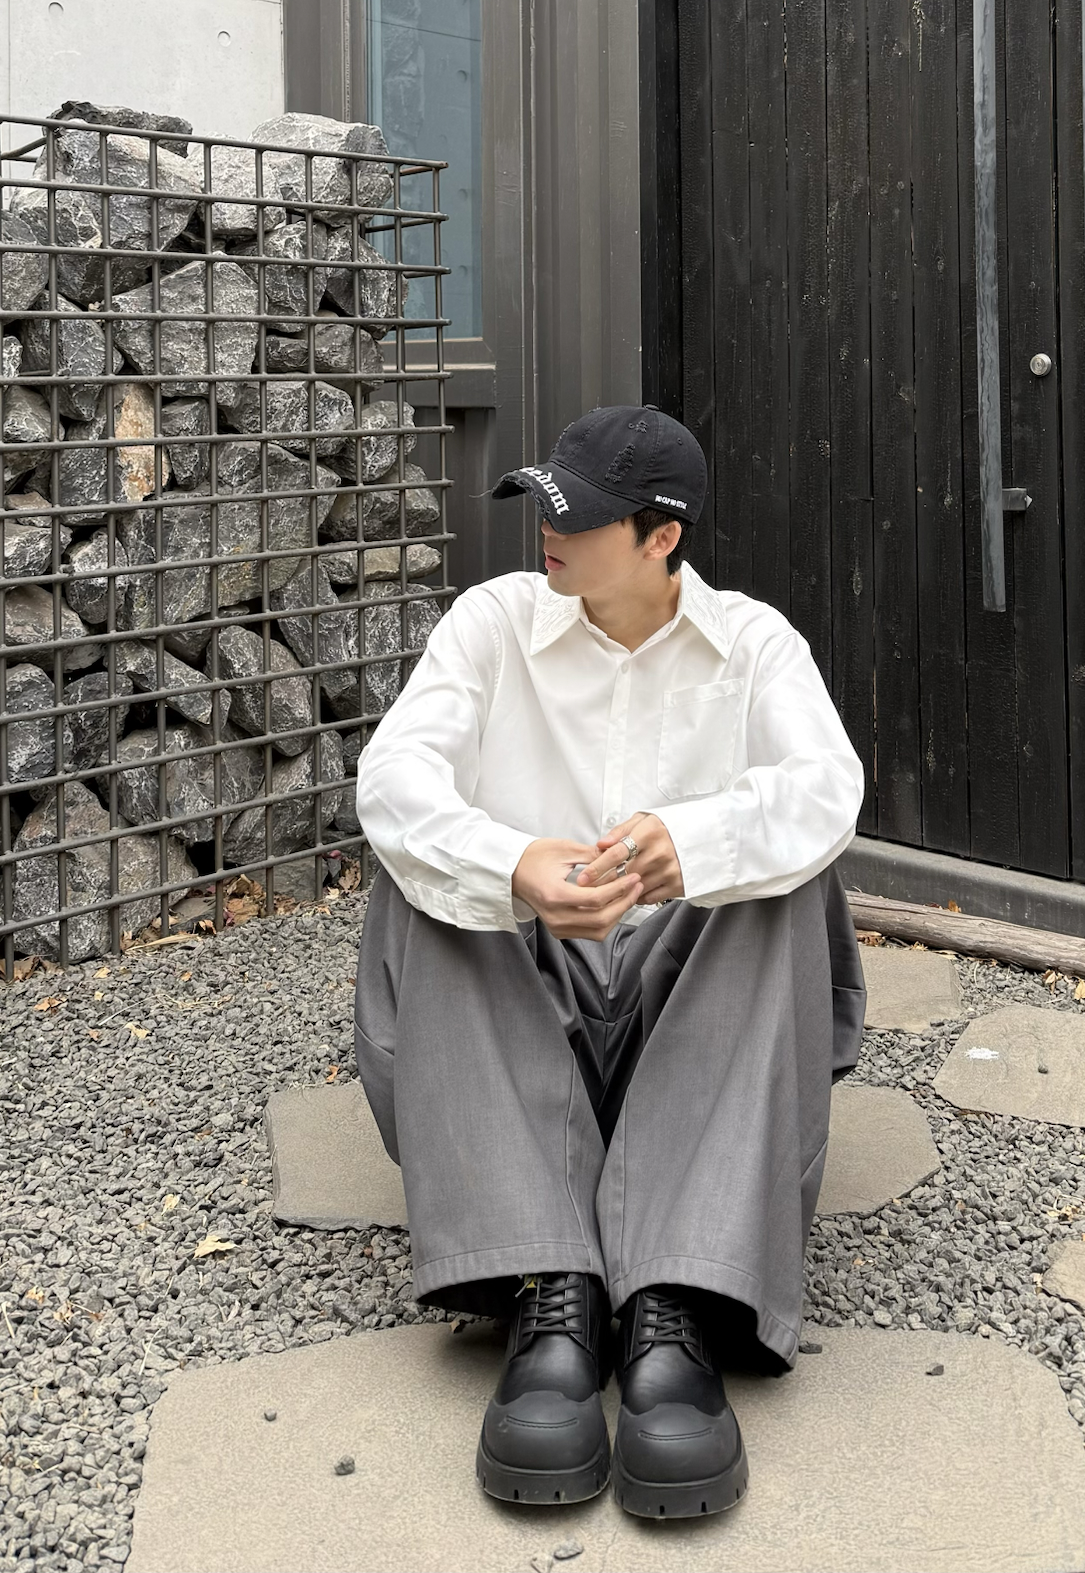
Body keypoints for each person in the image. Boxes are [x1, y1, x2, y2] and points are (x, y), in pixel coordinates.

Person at [354, 402, 867, 1519]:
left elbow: (830, 788)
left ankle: (677, 1293)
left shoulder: (757, 645)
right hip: (521, 1016)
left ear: (660, 537)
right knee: (425, 870)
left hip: (692, 1020)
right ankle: (554, 1284)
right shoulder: (492, 623)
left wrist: (697, 845)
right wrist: (513, 866)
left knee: (790, 875)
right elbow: (392, 779)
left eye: (580, 519)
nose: (548, 532)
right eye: (546, 506)